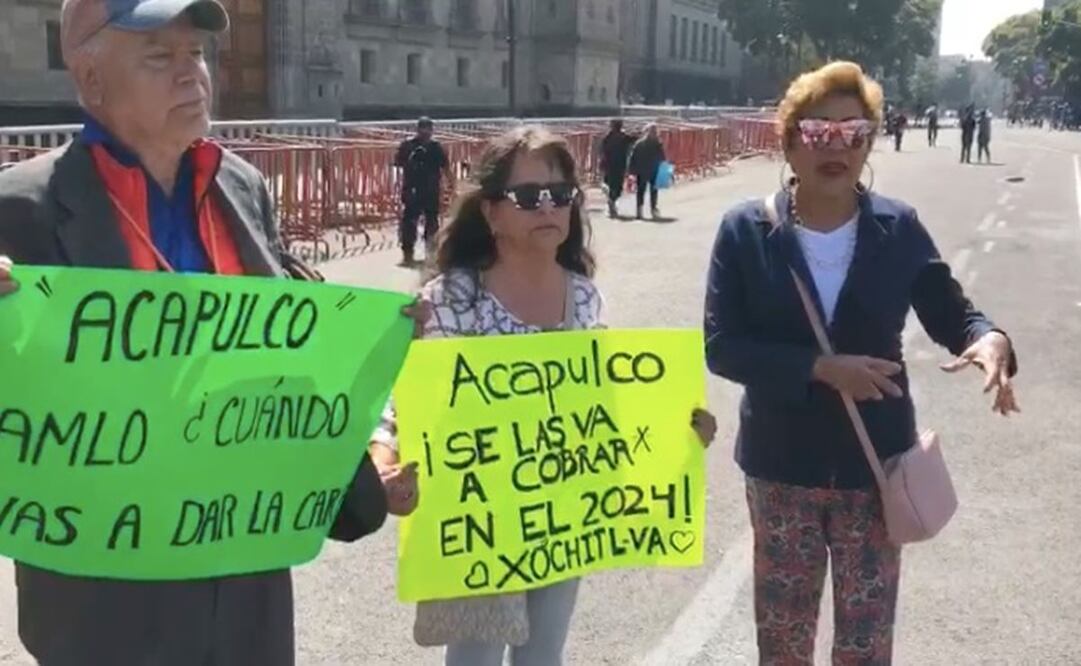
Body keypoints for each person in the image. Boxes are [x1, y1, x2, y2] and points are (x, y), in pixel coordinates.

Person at [0, 1, 392, 663]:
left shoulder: (240, 184)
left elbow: (287, 352)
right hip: (106, 602)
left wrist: (366, 425)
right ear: (91, 79)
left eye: (197, 54)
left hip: (245, 583)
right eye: (160, 56)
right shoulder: (19, 206)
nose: (192, 73)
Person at [704, 61, 1019, 665]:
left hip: (875, 465)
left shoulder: (896, 228)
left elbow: (952, 313)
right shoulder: (745, 230)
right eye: (818, 131)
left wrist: (988, 338)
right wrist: (819, 368)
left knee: (866, 642)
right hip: (781, 466)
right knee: (783, 637)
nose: (837, 146)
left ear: (870, 143)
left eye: (854, 132)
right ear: (789, 142)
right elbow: (723, 346)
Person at [371, 126, 717, 666]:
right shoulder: (453, 297)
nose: (549, 207)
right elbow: (405, 401)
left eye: (561, 194)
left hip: (561, 516)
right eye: (530, 196)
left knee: (543, 657)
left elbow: (607, 405)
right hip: (479, 522)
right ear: (492, 214)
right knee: (475, 658)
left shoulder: (582, 297)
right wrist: (383, 464)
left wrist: (680, 429)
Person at [396, 116, 454, 266]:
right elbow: (399, 165)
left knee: (431, 222)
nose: (425, 132)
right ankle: (408, 253)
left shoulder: (436, 147)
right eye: (423, 128)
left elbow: (445, 167)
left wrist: (452, 185)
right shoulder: (408, 146)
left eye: (428, 129)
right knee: (409, 222)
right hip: (412, 189)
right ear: (418, 129)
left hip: (431, 189)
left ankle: (431, 252)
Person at [628, 123, 667, 220]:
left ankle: (642, 211)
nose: (654, 133)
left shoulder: (640, 143)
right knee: (650, 191)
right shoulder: (656, 144)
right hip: (651, 170)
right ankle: (650, 210)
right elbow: (662, 157)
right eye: (653, 131)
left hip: (645, 170)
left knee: (644, 191)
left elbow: (633, 157)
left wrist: (631, 170)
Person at [599, 119, 636, 218]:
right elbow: (634, 139)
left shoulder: (607, 138)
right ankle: (612, 203)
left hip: (612, 166)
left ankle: (611, 203)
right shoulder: (620, 137)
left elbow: (601, 151)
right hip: (617, 166)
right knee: (616, 187)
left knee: (612, 186)